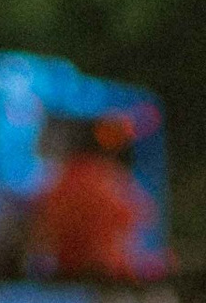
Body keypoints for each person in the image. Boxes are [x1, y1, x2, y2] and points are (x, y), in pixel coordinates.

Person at [20, 113, 167, 284]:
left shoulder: (61, 179)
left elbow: (42, 228)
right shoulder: (107, 177)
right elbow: (141, 213)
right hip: (107, 266)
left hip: (69, 267)